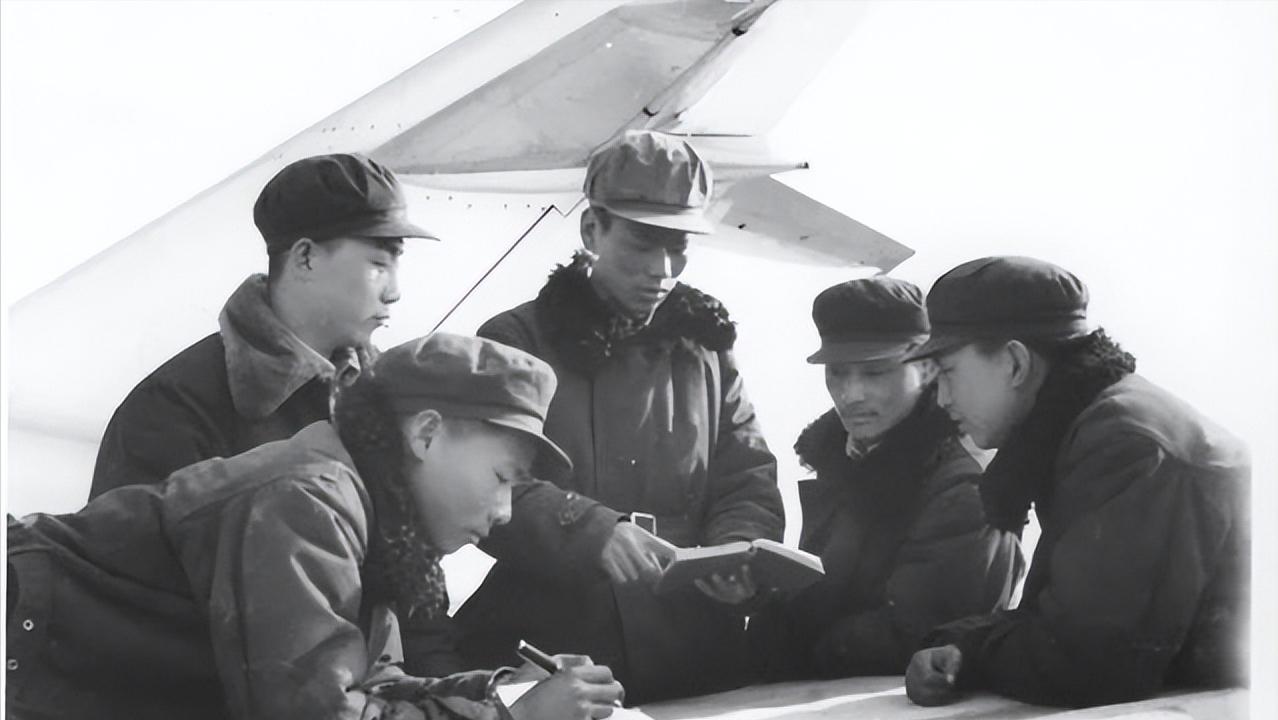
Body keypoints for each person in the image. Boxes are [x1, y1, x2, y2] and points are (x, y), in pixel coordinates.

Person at [8, 333, 626, 720]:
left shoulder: (376, 511)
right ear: (427, 434)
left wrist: (500, 691)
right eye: (501, 478)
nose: (505, 511)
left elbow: (369, 685)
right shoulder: (310, 499)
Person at [452, 130, 784, 704]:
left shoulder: (708, 351)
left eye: (679, 246)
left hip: (696, 657)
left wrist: (737, 556)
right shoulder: (514, 341)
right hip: (554, 658)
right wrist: (590, 530)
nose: (663, 269)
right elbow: (475, 488)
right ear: (591, 231)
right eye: (642, 243)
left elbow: (746, 477)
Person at [902, 256, 1250, 708]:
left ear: (1015, 363)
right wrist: (959, 643)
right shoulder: (1093, 425)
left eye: (948, 372)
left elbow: (1087, 662)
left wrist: (967, 649)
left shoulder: (1122, 442)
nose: (942, 399)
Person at [89, 152, 434, 498]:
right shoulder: (171, 408)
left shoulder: (388, 397)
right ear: (305, 258)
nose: (394, 293)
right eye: (378, 265)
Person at [746, 277, 1024, 680]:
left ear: (927, 368)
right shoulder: (844, 458)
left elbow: (919, 630)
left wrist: (782, 646)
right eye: (837, 373)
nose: (851, 394)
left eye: (875, 372)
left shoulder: (966, 483)